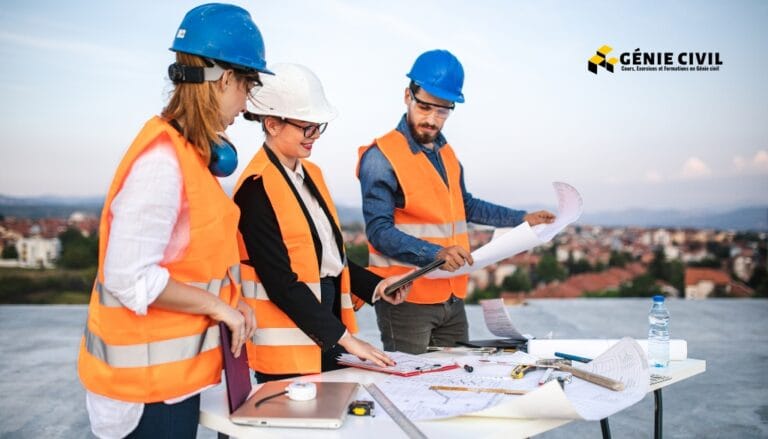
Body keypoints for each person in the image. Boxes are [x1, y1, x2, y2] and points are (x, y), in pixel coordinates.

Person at [77, 4, 272, 438]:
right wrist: (218, 307)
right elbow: (128, 278)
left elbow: (193, 262)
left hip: (170, 386)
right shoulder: (163, 163)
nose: (245, 105)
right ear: (225, 79)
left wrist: (231, 299)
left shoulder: (191, 157)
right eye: (248, 87)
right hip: (145, 395)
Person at [357, 49, 556, 354]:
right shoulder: (380, 157)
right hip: (406, 299)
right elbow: (379, 232)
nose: (432, 119)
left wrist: (522, 219)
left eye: (442, 110)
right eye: (425, 107)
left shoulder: (447, 155)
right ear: (407, 96)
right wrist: (436, 253)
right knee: (412, 392)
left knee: (455, 382)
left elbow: (467, 205)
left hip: (451, 296)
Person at [233, 63, 412, 383]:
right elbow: (280, 283)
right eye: (306, 126)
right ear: (272, 124)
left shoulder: (311, 175)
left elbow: (328, 259)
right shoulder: (255, 188)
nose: (314, 135)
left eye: (319, 126)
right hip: (289, 349)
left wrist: (375, 287)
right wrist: (347, 339)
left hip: (327, 336)